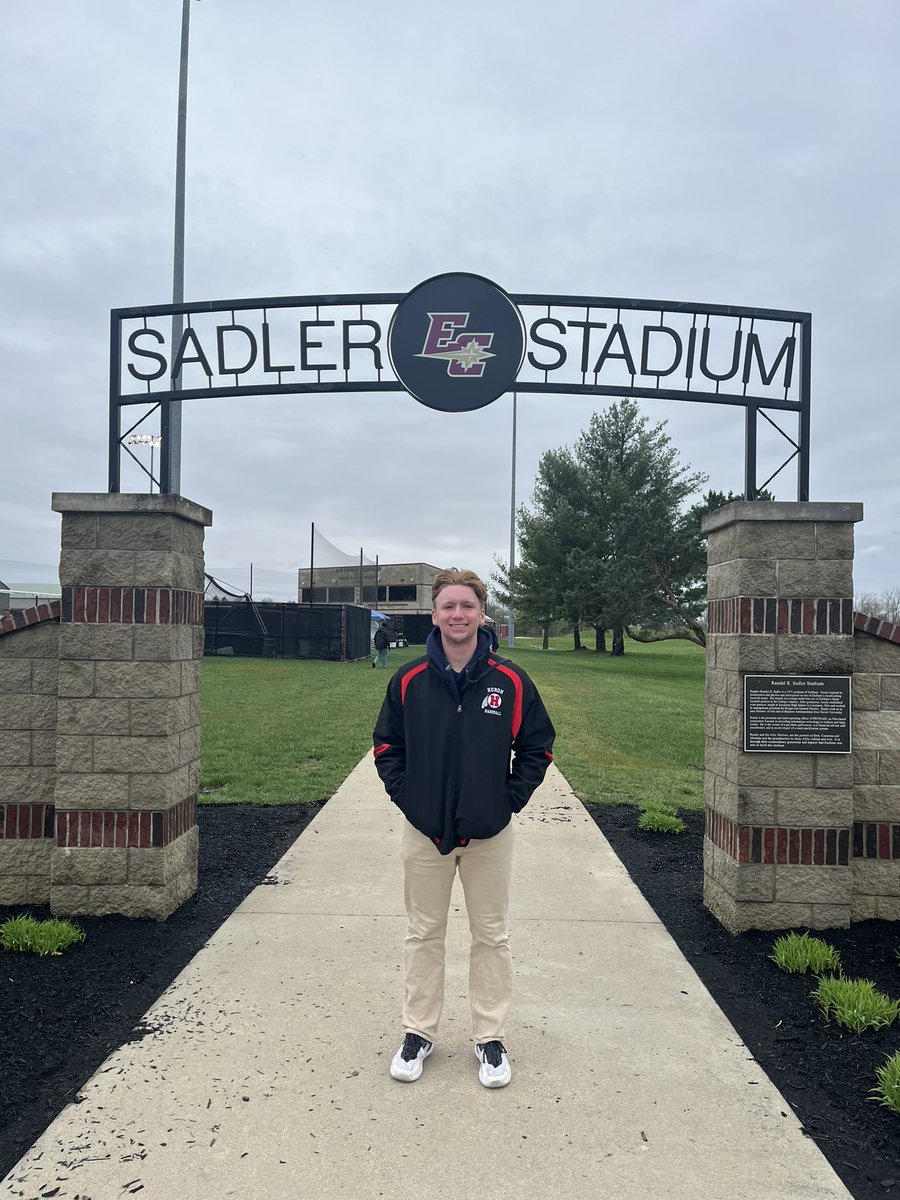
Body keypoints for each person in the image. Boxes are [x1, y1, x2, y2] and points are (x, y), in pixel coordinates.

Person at [373, 568, 555, 1088]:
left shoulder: (511, 681)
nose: (458, 615)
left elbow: (538, 746)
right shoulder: (408, 680)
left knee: (490, 935)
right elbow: (388, 746)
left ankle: (489, 1038)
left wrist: (506, 802)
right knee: (423, 933)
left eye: (467, 606)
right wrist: (411, 800)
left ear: (482, 614)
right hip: (425, 832)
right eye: (448, 606)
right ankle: (419, 1032)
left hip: (488, 835)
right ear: (434, 614)